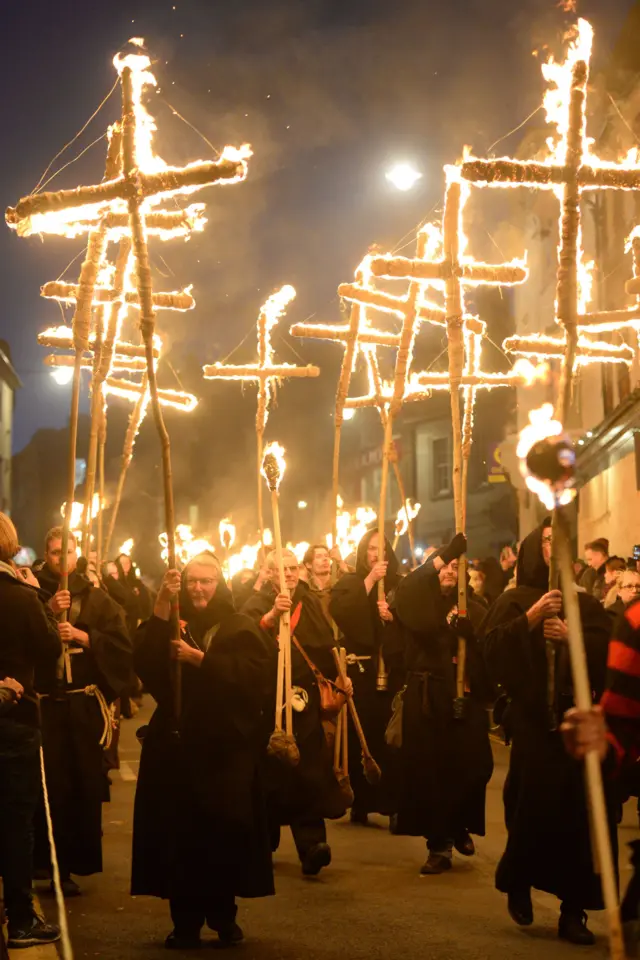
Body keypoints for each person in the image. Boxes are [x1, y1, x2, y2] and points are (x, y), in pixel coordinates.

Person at [479, 521, 614, 944]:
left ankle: (574, 911)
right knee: (530, 808)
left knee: (582, 817)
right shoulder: (514, 601)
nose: (553, 547)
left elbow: (610, 657)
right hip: (535, 724)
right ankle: (519, 880)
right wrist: (533, 618)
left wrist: (572, 637)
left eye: (561, 542)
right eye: (546, 540)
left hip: (577, 723)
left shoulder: (587, 605)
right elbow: (490, 655)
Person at [131, 552, 274, 949]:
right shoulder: (173, 624)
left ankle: (223, 916)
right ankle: (186, 922)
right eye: (191, 580)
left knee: (222, 835)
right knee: (180, 836)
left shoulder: (239, 626)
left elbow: (254, 680)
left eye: (206, 581)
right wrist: (162, 603)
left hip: (223, 750)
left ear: (219, 583)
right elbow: (144, 662)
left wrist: (200, 660)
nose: (198, 588)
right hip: (177, 745)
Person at [34, 526, 133, 896]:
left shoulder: (98, 599)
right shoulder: (32, 591)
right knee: (47, 787)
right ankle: (41, 860)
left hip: (82, 707)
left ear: (78, 556)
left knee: (80, 786)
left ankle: (72, 863)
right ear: (48, 554)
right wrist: (46, 614)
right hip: (44, 705)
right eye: (56, 552)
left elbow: (123, 648)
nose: (62, 559)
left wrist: (85, 638)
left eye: (68, 552)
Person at [243, 549, 351, 876]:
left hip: (303, 699)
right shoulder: (255, 602)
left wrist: (339, 679)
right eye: (281, 569)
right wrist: (269, 617)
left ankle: (311, 845)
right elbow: (243, 639)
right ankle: (262, 842)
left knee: (309, 770)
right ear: (269, 573)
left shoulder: (308, 600)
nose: (288, 574)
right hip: (266, 699)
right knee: (268, 773)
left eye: (292, 568)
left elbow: (325, 645)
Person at [392, 533, 494, 875]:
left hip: (463, 696)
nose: (449, 571)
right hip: (427, 698)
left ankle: (458, 824)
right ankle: (439, 844)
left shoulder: (476, 608)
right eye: (444, 565)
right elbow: (408, 590)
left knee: (472, 766)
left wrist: (472, 638)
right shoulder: (420, 600)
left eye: (455, 565)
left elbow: (491, 652)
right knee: (431, 772)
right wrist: (444, 552)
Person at [0, 513, 61, 948]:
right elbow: (50, 647)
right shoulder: (20, 597)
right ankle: (20, 917)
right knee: (16, 820)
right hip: (16, 722)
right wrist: (40, 599)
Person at [329, 529, 405, 825]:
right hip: (362, 671)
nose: (376, 554)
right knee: (363, 734)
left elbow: (413, 617)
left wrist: (393, 618)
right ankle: (362, 800)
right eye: (371, 549)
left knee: (391, 737)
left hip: (391, 670)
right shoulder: (350, 583)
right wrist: (371, 580)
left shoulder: (399, 584)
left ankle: (394, 803)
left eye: (381, 549)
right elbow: (343, 613)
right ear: (363, 552)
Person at [303, 543, 348, 624]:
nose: (325, 559)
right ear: (308, 564)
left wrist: (340, 561)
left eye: (326, 556)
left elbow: (355, 585)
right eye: (319, 556)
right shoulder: (305, 591)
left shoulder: (339, 586)